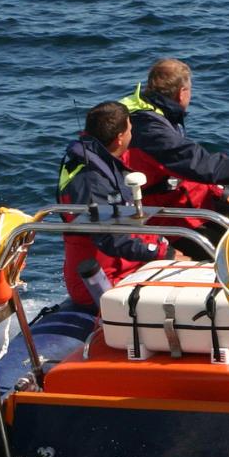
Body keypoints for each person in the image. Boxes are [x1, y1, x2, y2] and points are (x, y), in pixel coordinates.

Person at [56, 102, 177, 306]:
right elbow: (108, 237)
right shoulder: (91, 182)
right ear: (120, 137)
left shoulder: (103, 162)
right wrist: (159, 253)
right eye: (130, 129)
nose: (132, 134)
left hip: (121, 266)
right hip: (99, 281)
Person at [119, 58, 229, 226]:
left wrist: (222, 193)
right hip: (155, 213)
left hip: (163, 195)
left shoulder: (143, 109)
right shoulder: (152, 129)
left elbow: (182, 164)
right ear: (182, 92)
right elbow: (200, 164)